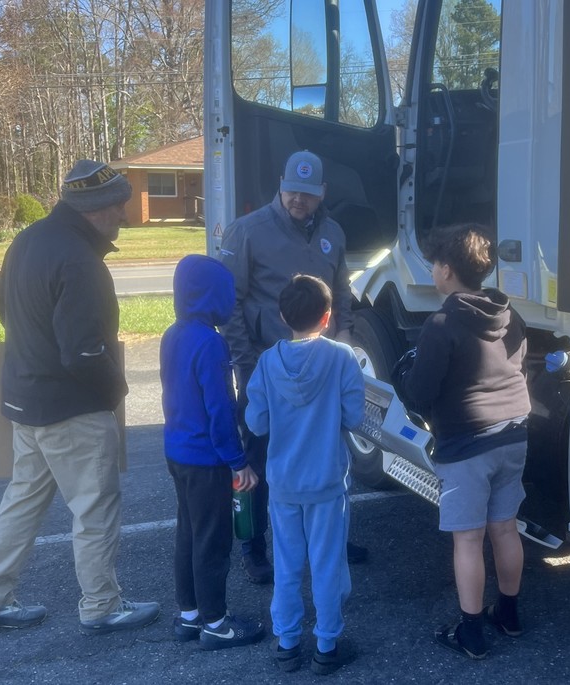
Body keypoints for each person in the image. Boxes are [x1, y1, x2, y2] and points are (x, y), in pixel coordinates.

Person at [0, 160, 160, 634]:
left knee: (23, 501)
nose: (125, 217)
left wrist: (33, 346)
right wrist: (116, 391)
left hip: (25, 400)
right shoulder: (81, 262)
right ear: (97, 209)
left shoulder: (29, 239)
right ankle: (101, 606)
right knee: (94, 508)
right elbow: (84, 353)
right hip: (71, 409)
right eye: (119, 206)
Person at [219, 149, 366, 584]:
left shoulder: (333, 233)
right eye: (291, 191)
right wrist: (247, 365)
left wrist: (344, 339)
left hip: (322, 367)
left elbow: (342, 294)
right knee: (261, 458)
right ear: (280, 185)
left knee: (330, 453)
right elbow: (232, 306)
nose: (298, 200)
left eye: (307, 193)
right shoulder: (247, 231)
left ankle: (331, 538)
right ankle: (254, 545)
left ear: (321, 193)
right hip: (269, 367)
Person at [396, 224, 531, 659]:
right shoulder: (510, 313)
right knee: (505, 528)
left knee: (468, 540)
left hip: (467, 443)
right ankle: (507, 614)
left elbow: (420, 391)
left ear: (447, 270)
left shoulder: (441, 323)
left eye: (434, 264)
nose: (433, 270)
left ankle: (471, 632)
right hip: (515, 431)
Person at [245, 274, 365, 675]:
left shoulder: (266, 362)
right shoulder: (342, 358)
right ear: (328, 316)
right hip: (327, 482)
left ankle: (288, 642)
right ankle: (326, 646)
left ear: (282, 316)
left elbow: (257, 423)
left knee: (287, 564)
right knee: (328, 564)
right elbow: (353, 417)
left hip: (284, 483)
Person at [159, 253, 266, 650]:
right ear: (211, 297)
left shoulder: (174, 333)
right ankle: (217, 623)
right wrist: (238, 461)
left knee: (188, 534)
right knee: (213, 541)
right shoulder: (212, 343)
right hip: (207, 459)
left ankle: (189, 616)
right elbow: (219, 408)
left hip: (177, 451)